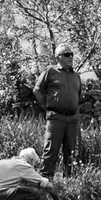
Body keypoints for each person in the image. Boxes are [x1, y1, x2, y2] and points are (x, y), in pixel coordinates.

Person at [33, 46, 82, 177]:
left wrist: (76, 118)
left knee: (71, 152)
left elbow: (78, 97)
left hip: (72, 119)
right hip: (55, 117)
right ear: (58, 57)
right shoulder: (50, 71)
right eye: (66, 54)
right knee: (51, 150)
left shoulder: (76, 76)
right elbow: (37, 90)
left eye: (71, 54)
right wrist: (47, 106)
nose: (70, 57)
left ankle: (69, 181)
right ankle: (45, 180)